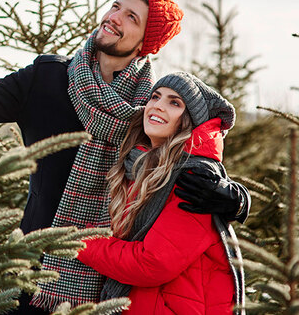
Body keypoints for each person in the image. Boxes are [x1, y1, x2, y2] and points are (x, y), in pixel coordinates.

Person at [0, 0, 250, 313]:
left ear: (144, 44)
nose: (113, 18)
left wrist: (234, 199)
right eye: (115, 7)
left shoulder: (149, 108)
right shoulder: (46, 79)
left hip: (109, 284)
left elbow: (189, 160)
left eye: (131, 17)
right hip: (31, 266)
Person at [74, 72, 245, 314]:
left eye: (174, 102)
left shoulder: (195, 178)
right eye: (155, 97)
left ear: (189, 120)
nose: (157, 106)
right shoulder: (137, 166)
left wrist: (78, 242)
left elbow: (152, 263)